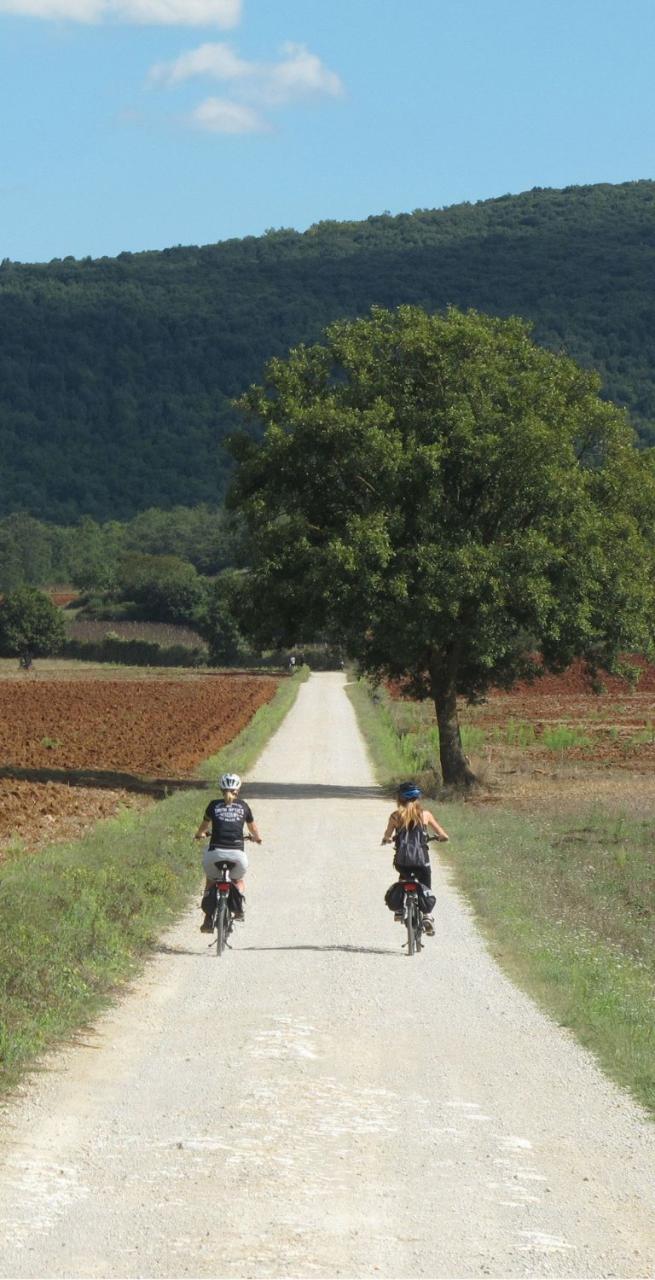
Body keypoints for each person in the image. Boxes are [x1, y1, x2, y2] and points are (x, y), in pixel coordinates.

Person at [195, 772, 262, 933]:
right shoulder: (244, 806)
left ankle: (207, 919)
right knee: (238, 880)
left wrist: (199, 835)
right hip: (237, 856)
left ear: (220, 789)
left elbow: (203, 827)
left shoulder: (213, 805)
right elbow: (253, 829)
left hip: (214, 855)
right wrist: (257, 838)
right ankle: (237, 908)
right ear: (238, 790)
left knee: (211, 881)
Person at [381, 781, 449, 936]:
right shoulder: (425, 815)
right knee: (425, 885)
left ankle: (399, 910)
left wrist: (387, 839)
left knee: (403, 877)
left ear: (399, 798)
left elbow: (387, 835)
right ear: (418, 798)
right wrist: (441, 837)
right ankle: (427, 915)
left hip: (402, 862)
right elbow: (442, 834)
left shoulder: (395, 816)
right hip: (421, 861)